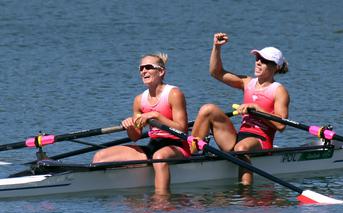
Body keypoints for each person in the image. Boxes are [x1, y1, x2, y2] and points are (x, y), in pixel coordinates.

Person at [190, 33, 290, 185]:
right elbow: (216, 73)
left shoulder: (279, 90)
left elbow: (281, 125)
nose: (258, 62)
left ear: (275, 67)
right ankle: (188, 155)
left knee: (242, 147)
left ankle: (245, 192)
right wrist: (216, 48)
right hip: (238, 137)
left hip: (261, 140)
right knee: (207, 109)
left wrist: (256, 108)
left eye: (264, 61)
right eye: (257, 59)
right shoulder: (247, 82)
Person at [92, 52, 190, 195]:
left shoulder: (174, 94)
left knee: (159, 157)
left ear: (161, 71)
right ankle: (115, 190)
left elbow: (182, 129)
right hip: (153, 146)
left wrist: (156, 116)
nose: (143, 71)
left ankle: (161, 199)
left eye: (148, 67)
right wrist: (130, 126)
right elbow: (135, 137)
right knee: (100, 157)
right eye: (141, 68)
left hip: (177, 146)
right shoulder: (139, 100)